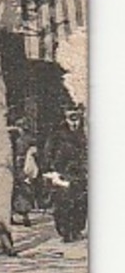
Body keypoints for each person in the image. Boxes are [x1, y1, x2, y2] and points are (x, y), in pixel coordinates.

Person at [43, 103, 87, 242]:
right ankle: (65, 231)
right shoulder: (57, 133)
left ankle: (76, 230)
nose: (74, 122)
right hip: (62, 172)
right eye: (70, 117)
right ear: (65, 117)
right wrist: (50, 170)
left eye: (76, 118)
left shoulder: (85, 132)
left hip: (80, 174)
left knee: (80, 203)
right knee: (62, 204)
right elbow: (48, 151)